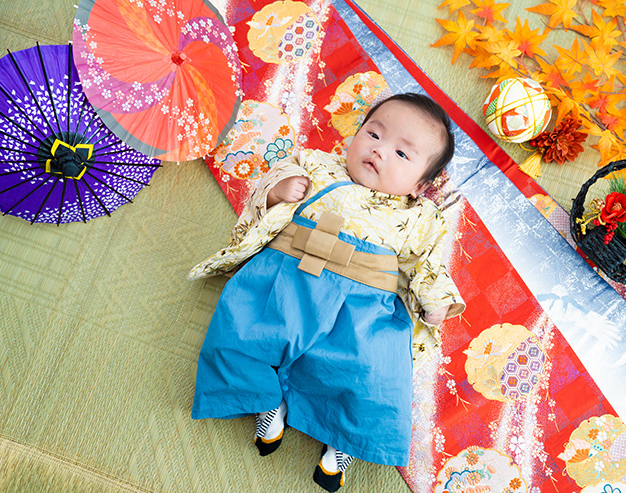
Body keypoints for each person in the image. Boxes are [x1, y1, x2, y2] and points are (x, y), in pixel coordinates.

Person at [188, 93, 465, 491]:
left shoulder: (420, 217)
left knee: (373, 371)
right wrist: (277, 189)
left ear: (421, 185)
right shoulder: (316, 165)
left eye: (402, 154)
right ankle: (267, 400)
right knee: (243, 329)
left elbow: (427, 262)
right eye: (374, 133)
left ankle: (345, 439)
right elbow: (262, 192)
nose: (380, 151)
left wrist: (435, 299)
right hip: (289, 276)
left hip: (364, 305)